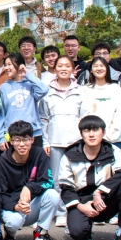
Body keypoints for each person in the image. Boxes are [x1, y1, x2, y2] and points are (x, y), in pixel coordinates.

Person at [59, 115, 121, 240]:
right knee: (77, 233)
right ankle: (84, 229)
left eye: (95, 130)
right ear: (81, 134)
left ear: (103, 132)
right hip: (82, 201)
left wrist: (99, 191)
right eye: (87, 130)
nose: (91, 134)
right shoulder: (69, 155)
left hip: (106, 200)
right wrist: (81, 207)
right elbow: (66, 187)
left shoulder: (112, 150)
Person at [40, 56, 91, 227]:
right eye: (60, 65)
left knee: (76, 178)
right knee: (56, 179)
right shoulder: (47, 91)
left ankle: (74, 210)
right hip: (55, 142)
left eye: (67, 66)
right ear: (55, 69)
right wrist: (46, 142)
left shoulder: (80, 90)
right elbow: (44, 119)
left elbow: (85, 117)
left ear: (72, 69)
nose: (63, 68)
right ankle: (60, 212)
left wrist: (84, 141)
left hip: (75, 142)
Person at [0, 120, 62, 240]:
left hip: (32, 205)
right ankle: (10, 233)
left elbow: (48, 181)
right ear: (11, 141)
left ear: (32, 140)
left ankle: (40, 234)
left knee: (53, 195)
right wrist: (16, 206)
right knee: (13, 222)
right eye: (17, 140)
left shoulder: (39, 154)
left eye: (26, 139)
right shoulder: (1, 162)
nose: (22, 144)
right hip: (13, 208)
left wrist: (29, 188)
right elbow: (0, 194)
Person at [0, 53, 48, 150]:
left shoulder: (30, 85)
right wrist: (0, 137)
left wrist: (27, 74)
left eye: (9, 64)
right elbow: (0, 114)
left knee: (34, 160)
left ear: (20, 66)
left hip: (33, 132)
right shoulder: (3, 87)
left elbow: (44, 90)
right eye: (5, 65)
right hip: (12, 134)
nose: (6, 68)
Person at [82, 56, 121, 149]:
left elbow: (120, 114)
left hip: (114, 139)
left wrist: (110, 136)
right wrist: (96, 134)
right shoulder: (85, 89)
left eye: (102, 66)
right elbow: (86, 114)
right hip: (92, 139)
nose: (99, 68)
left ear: (107, 69)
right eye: (96, 66)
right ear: (91, 70)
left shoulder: (115, 88)